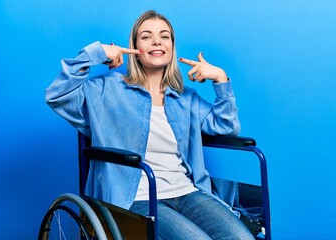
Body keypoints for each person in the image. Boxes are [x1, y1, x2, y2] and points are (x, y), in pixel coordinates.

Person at [46, 10, 254, 240]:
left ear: (172, 48)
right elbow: (57, 95)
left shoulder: (186, 98)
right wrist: (96, 53)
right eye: (146, 36)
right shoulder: (107, 89)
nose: (157, 41)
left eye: (164, 36)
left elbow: (226, 127)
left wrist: (221, 80)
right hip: (135, 198)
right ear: (135, 48)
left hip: (187, 193)